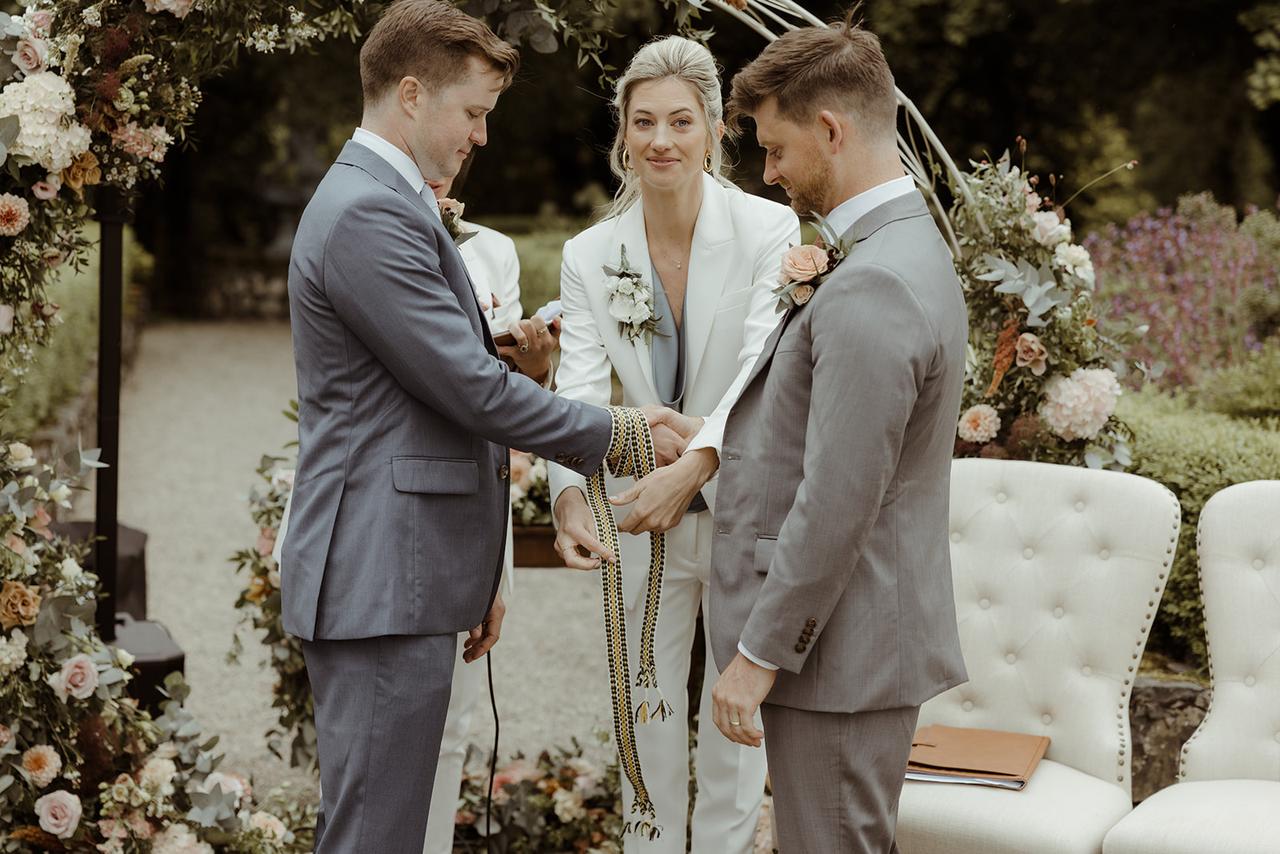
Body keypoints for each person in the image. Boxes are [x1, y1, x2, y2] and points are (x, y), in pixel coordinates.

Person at [622, 17, 970, 852]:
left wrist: (759, 653)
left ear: (831, 130)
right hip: (852, 649)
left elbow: (841, 493)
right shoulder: (902, 246)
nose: (770, 173)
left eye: (776, 149)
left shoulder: (873, 282)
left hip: (838, 662)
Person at [280, 3, 617, 851]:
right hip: (381, 575)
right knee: (374, 835)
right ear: (410, 94)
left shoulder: (385, 199)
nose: (481, 137)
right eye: (473, 114)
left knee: (379, 829)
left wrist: (473, 573)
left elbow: (434, 389)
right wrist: (622, 433)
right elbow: (468, 388)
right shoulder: (368, 211)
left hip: (405, 571)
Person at [549, 35, 800, 853]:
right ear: (623, 133)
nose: (662, 140)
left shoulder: (769, 228)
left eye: (681, 122)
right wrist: (564, 498)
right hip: (642, 519)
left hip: (739, 506)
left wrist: (695, 463)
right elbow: (578, 393)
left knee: (733, 728)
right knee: (647, 710)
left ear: (716, 130)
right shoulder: (590, 255)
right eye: (644, 121)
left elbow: (764, 367)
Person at [418, 173, 556, 854]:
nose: (469, 141)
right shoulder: (366, 229)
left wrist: (532, 369)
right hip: (399, 515)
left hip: (477, 497)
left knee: (454, 729)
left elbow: (505, 406)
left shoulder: (493, 249)